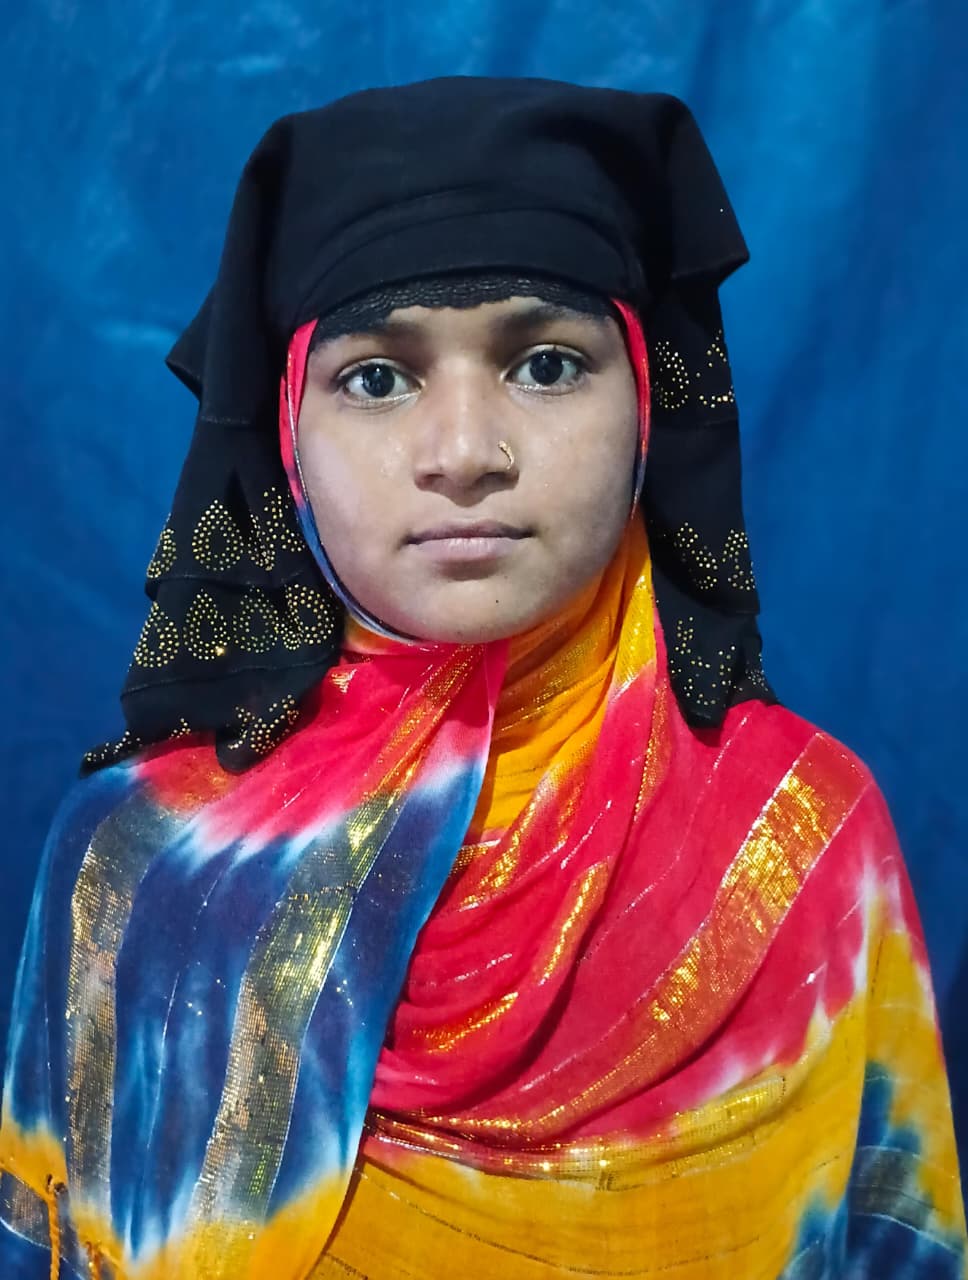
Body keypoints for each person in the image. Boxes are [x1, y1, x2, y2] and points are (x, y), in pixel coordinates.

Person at [0, 76, 964, 1280]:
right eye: (376, 378)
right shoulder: (143, 864)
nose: (464, 453)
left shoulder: (802, 834)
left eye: (546, 364)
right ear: (286, 428)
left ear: (648, 401)